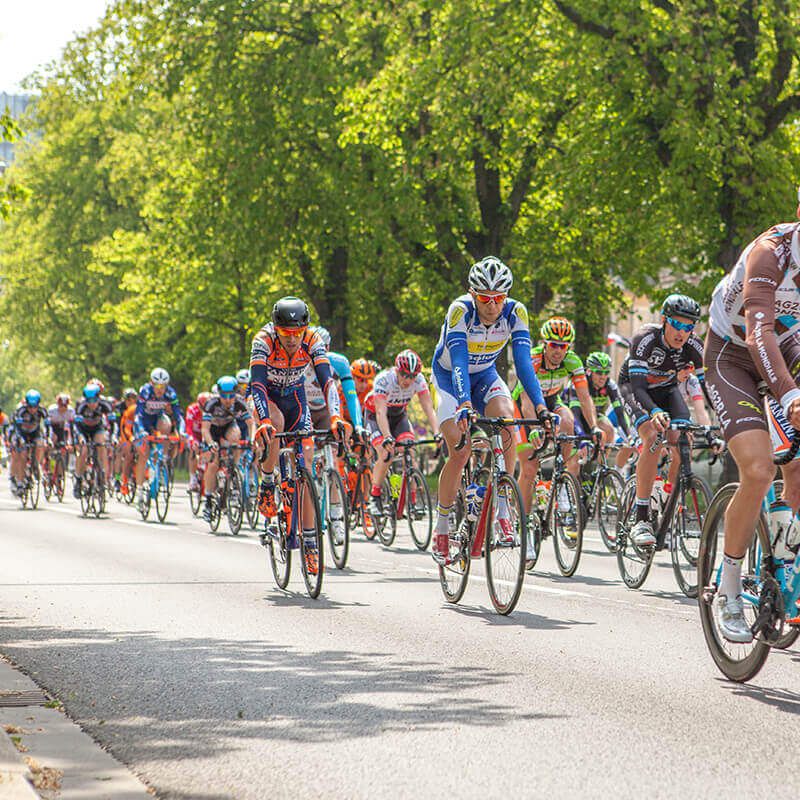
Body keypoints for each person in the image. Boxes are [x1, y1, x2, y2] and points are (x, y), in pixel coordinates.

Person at [704, 215, 800, 640]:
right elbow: (758, 331)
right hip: (733, 354)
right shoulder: (770, 252)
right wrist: (790, 396)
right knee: (759, 471)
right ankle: (728, 590)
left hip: (789, 347)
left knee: (795, 465)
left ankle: (787, 564)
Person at [431, 256, 552, 561]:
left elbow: (524, 365)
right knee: (460, 451)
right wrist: (464, 403)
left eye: (499, 298)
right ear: (473, 295)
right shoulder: (460, 310)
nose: (492, 306)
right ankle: (442, 527)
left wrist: (540, 407)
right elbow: (458, 361)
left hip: (485, 375)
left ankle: (501, 505)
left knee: (508, 421)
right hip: (449, 379)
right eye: (485, 298)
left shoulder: (516, 312)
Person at [249, 296, 346, 575]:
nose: (292, 339)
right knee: (276, 423)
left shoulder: (313, 339)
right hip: (267, 397)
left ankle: (311, 544)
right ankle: (268, 482)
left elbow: (328, 380)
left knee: (306, 466)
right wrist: (264, 419)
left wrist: (336, 415)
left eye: (297, 333)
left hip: (295, 395)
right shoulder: (263, 340)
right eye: (285, 333)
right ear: (276, 329)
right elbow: (256, 384)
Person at [618, 294, 706, 547]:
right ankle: (641, 518)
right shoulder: (645, 339)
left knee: (683, 441)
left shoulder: (694, 346)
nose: (682, 332)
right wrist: (654, 412)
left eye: (688, 327)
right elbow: (638, 388)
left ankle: (666, 499)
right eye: (676, 325)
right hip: (636, 391)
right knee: (654, 438)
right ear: (664, 321)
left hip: (667, 391)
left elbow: (706, 387)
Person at [514, 317, 601, 515]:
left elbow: (585, 398)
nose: (558, 351)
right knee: (529, 469)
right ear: (544, 344)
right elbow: (527, 400)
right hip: (523, 406)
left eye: (563, 346)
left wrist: (594, 427)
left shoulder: (572, 361)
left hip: (552, 401)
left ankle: (562, 479)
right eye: (553, 345)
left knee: (568, 420)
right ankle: (523, 521)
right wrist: (535, 429)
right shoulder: (533, 359)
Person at [365, 349, 439, 518]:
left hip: (398, 416)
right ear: (397, 370)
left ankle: (412, 503)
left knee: (410, 452)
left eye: (412, 376)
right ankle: (374, 496)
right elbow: (380, 413)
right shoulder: (384, 380)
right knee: (386, 453)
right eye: (404, 375)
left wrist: (437, 433)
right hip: (375, 417)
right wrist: (387, 436)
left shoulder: (419, 381)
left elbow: (428, 408)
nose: (408, 380)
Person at [566, 351, 635, 470]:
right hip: (575, 418)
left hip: (594, 418)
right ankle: (568, 485)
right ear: (589, 371)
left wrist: (629, 436)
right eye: (598, 372)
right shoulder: (579, 383)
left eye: (606, 372)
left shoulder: (610, 385)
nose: (603, 376)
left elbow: (619, 412)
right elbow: (575, 415)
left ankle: (599, 470)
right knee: (575, 462)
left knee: (608, 429)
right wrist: (581, 439)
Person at [201, 376, 255, 521]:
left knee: (236, 436)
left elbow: (251, 423)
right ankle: (207, 500)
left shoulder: (239, 403)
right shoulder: (211, 403)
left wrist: (252, 439)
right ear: (219, 394)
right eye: (224, 396)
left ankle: (234, 469)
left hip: (228, 428)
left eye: (231, 396)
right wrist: (211, 443)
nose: (227, 399)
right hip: (212, 431)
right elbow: (204, 429)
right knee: (213, 464)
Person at [133, 368, 185, 509]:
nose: (160, 390)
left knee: (167, 425)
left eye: (163, 386)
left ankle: (163, 458)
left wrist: (181, 431)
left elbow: (178, 415)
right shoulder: (145, 391)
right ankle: (139, 492)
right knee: (143, 455)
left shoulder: (170, 393)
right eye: (157, 386)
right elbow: (138, 415)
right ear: (152, 383)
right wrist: (142, 431)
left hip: (158, 420)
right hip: (143, 422)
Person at [73, 382, 115, 497]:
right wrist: (80, 438)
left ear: (98, 398)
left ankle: (102, 477)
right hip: (82, 430)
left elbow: (113, 423)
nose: (92, 404)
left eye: (94, 400)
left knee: (101, 446)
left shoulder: (105, 404)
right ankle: (78, 479)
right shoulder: (80, 405)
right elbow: (75, 426)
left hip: (97, 428)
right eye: (89, 401)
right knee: (84, 451)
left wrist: (113, 437)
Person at [9, 389, 48, 496]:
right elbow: (16, 427)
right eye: (30, 406)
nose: (32, 409)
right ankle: (20, 482)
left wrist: (48, 437)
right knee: (22, 455)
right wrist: (19, 440)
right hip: (22, 433)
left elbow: (48, 424)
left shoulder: (42, 410)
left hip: (35, 433)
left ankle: (36, 464)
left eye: (35, 406)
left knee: (41, 444)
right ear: (26, 404)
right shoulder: (21, 411)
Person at [185, 392, 211, 493]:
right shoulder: (192, 410)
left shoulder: (213, 410)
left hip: (207, 434)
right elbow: (188, 427)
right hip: (195, 435)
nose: (204, 410)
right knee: (193, 449)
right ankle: (193, 479)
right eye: (202, 407)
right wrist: (192, 440)